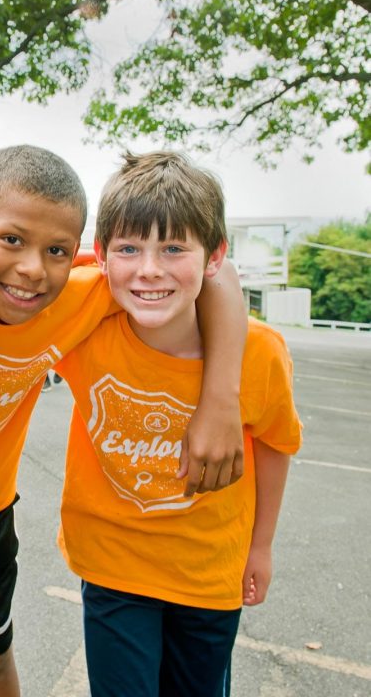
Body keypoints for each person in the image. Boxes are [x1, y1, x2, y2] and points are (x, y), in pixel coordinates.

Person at [0, 145, 249, 697]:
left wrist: (220, 399)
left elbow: (219, 275)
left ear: (79, 253)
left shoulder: (78, 297)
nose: (32, 268)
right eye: (10, 239)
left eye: (56, 249)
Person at [54, 151, 302, 696]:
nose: (148, 269)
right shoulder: (84, 328)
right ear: (100, 255)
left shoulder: (260, 354)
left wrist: (261, 546)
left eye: (173, 248)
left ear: (214, 256)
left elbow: (276, 446)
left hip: (208, 573)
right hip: (113, 565)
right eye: (128, 248)